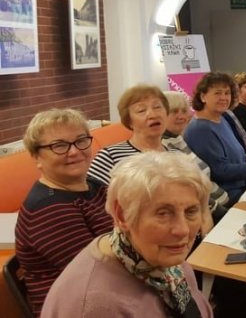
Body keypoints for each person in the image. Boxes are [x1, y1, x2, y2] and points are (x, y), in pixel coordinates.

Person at [41, 152, 213, 317]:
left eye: (191, 211)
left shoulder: (164, 258)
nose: (182, 230)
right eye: (163, 213)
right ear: (122, 215)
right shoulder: (97, 307)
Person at [15, 109, 113, 316]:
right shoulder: (48, 209)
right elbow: (100, 273)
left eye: (81, 140)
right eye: (59, 145)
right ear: (36, 156)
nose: (75, 151)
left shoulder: (92, 184)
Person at [184, 72, 246, 205]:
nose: (224, 97)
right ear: (202, 96)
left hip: (244, 186)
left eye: (227, 93)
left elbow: (238, 151)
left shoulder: (221, 118)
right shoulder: (200, 129)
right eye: (218, 93)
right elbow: (220, 172)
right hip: (229, 197)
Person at [162, 91, 229, 223]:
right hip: (211, 213)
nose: (181, 116)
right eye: (174, 111)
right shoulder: (164, 147)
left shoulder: (178, 139)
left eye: (183, 111)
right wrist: (227, 215)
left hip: (222, 200)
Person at [88, 84, 170, 185]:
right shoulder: (110, 157)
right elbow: (92, 198)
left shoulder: (177, 155)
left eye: (157, 107)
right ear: (129, 121)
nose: (153, 115)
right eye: (141, 110)